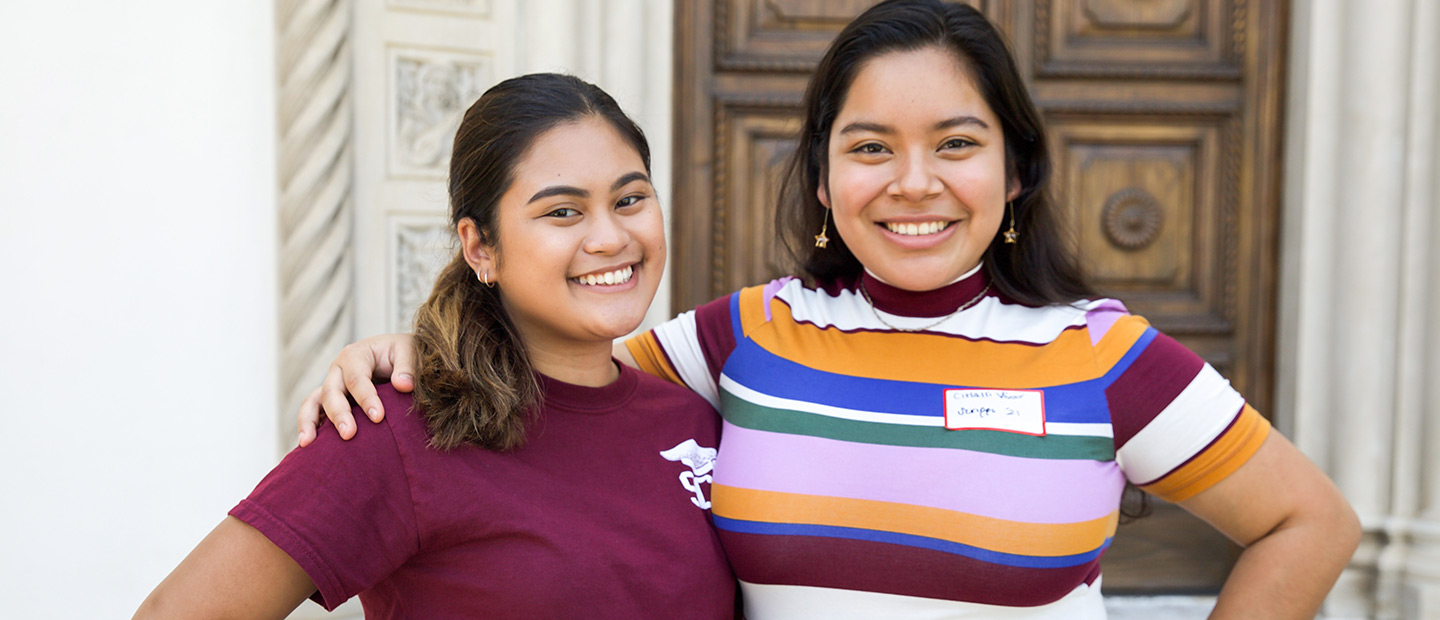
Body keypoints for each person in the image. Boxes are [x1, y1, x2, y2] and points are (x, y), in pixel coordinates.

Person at [298, 1, 1361, 618]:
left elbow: (1309, 521)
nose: (913, 182)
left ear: (1015, 169)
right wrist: (413, 349)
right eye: (868, 147)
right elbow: (567, 369)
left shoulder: (1104, 355)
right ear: (820, 175)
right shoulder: (743, 336)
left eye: (955, 141)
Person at [134, 73, 736, 620]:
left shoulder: (696, 420)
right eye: (562, 211)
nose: (610, 237)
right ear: (480, 248)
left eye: (630, 199)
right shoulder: (396, 425)